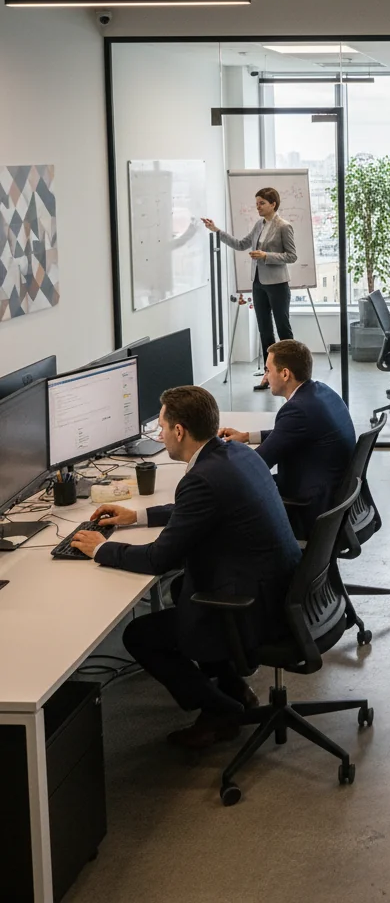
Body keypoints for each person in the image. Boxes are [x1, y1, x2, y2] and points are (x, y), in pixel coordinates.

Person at [70, 386, 302, 749]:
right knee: (183, 590)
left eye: (161, 427)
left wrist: (103, 549)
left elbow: (159, 559)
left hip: (252, 608)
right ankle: (234, 688)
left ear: (179, 431)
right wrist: (139, 516)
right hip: (280, 590)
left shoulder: (201, 479)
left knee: (141, 635)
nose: (159, 435)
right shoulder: (236, 453)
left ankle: (222, 708)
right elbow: (201, 508)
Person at [218, 339, 356, 539]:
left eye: (268, 370)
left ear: (285, 374)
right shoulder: (320, 391)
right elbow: (289, 433)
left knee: (229, 497)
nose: (265, 378)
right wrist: (247, 437)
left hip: (310, 504)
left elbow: (258, 465)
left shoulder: (297, 409)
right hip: (332, 494)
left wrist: (216, 459)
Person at [202, 187, 297, 391]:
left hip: (278, 284)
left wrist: (266, 256)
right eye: (257, 203)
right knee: (264, 330)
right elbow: (240, 244)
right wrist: (217, 231)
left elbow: (292, 256)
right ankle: (268, 375)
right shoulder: (258, 225)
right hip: (258, 283)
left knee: (283, 329)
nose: (258, 207)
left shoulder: (284, 226)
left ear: (273, 204)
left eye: (262, 203)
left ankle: (293, 374)